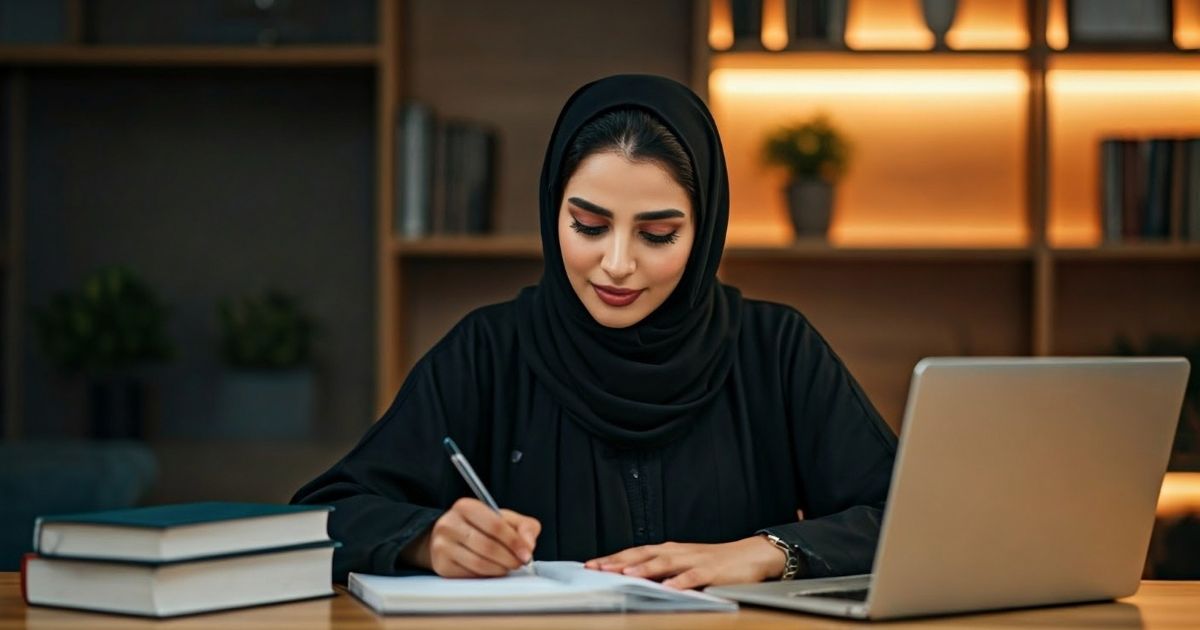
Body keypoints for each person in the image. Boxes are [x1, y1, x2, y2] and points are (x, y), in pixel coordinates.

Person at [292, 74, 896, 590]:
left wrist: (765, 552)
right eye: (588, 226)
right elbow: (323, 515)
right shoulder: (488, 351)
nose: (616, 263)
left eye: (657, 235)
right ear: (552, 212)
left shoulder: (776, 351)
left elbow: (908, 518)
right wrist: (425, 540)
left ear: (705, 231)